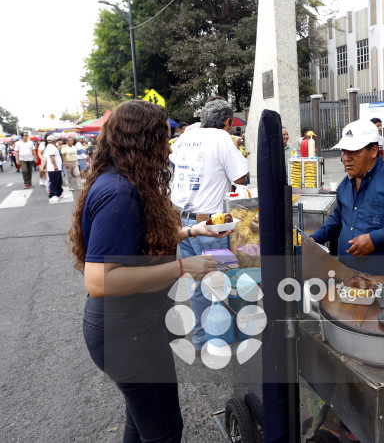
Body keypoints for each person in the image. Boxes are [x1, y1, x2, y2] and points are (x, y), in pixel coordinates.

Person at [69, 100, 227, 443]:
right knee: (165, 431)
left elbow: (137, 244)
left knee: (140, 424)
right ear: (141, 141)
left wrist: (193, 232)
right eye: (163, 139)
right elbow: (99, 281)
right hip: (126, 333)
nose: (169, 148)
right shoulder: (118, 193)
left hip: (129, 329)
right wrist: (184, 266)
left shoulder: (123, 182)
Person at [170, 98, 249, 353]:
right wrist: (236, 146)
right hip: (211, 227)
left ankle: (201, 339)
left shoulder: (186, 136)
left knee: (195, 284)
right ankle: (221, 340)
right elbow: (240, 178)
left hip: (183, 224)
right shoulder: (221, 137)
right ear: (227, 122)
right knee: (222, 281)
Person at [310, 119, 384, 276]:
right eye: (344, 152)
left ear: (373, 151)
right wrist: (314, 239)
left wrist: (375, 239)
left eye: (354, 151)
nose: (346, 158)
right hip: (349, 275)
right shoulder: (345, 184)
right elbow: (337, 219)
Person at [43, 135, 64, 202]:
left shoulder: (51, 147)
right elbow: (52, 157)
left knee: (58, 181)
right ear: (54, 140)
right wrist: (55, 166)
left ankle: (58, 193)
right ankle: (53, 195)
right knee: (54, 182)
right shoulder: (51, 147)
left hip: (55, 167)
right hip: (53, 168)